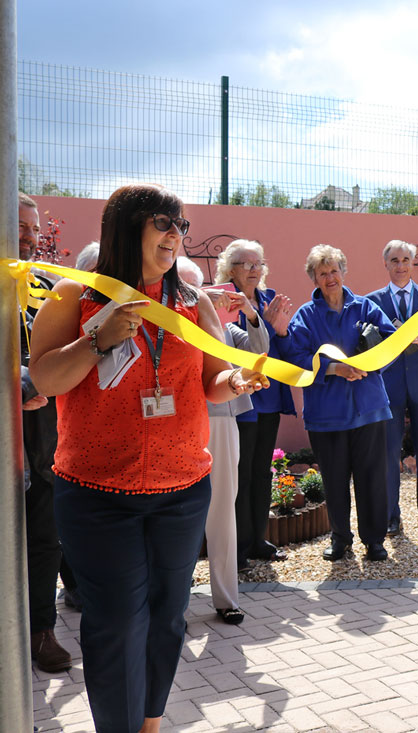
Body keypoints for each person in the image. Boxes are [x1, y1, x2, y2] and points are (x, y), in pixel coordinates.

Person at [29, 183, 267, 733]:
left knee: (166, 619)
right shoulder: (74, 296)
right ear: (124, 225)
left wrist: (238, 380)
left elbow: (212, 381)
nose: (176, 234)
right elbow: (45, 377)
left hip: (181, 493)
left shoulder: (192, 301)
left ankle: (150, 723)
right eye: (164, 221)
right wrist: (98, 338)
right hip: (97, 495)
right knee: (116, 623)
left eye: (181, 224)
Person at [278, 244, 395, 562]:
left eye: (334, 270)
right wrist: (334, 369)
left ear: (343, 272)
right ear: (314, 279)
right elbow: (297, 358)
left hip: (369, 408)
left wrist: (370, 363)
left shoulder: (366, 307)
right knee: (334, 480)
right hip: (326, 415)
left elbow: (390, 343)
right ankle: (341, 538)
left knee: (372, 479)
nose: (330, 277)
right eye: (322, 273)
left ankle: (374, 540)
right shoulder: (306, 315)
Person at [177, 256, 268, 625]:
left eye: (197, 287)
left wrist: (250, 312)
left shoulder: (224, 329)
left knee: (223, 509)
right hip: (177, 425)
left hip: (220, 422)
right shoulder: (164, 327)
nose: (193, 294)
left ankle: (227, 598)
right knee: (177, 514)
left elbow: (260, 350)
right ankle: (174, 601)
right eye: (185, 287)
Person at [213, 240, 295, 570]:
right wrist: (266, 327)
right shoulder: (221, 299)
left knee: (262, 472)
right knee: (240, 474)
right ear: (229, 269)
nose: (254, 270)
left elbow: (282, 347)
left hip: (269, 398)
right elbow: (234, 350)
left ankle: (258, 539)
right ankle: (239, 547)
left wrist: (280, 332)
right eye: (246, 264)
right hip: (239, 399)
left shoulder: (269, 298)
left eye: (258, 263)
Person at [18, 192, 74, 673]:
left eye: (34, 229)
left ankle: (41, 631)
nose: (29, 237)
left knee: (44, 541)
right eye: (19, 226)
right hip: (8, 442)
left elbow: (60, 349)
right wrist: (23, 382)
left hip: (45, 443)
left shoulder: (46, 289)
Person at [366, 239, 418, 536]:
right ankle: (392, 515)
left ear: (413, 263)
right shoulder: (372, 301)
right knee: (389, 453)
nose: (400, 266)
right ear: (385, 264)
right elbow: (368, 341)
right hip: (388, 387)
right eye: (394, 260)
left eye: (405, 260)